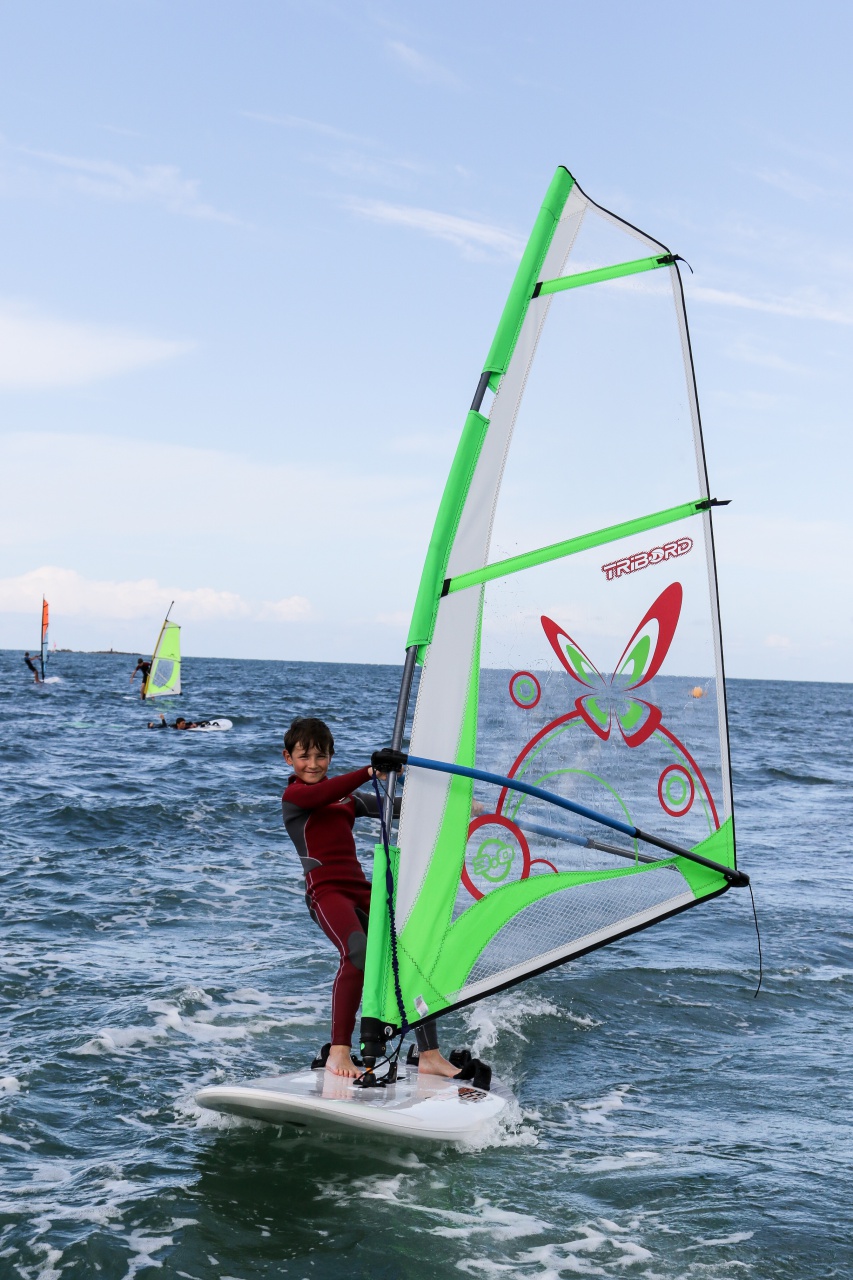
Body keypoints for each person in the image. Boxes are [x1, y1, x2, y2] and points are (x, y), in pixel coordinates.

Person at [282, 716, 463, 1079]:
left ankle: (428, 1053)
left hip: (362, 889)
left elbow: (398, 809)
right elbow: (321, 795)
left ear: (331, 757)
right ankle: (338, 1051)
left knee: (408, 956)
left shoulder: (346, 798)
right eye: (304, 757)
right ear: (288, 759)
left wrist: (457, 809)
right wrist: (369, 771)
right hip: (326, 892)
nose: (313, 765)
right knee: (359, 953)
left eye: (321, 756)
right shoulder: (295, 797)